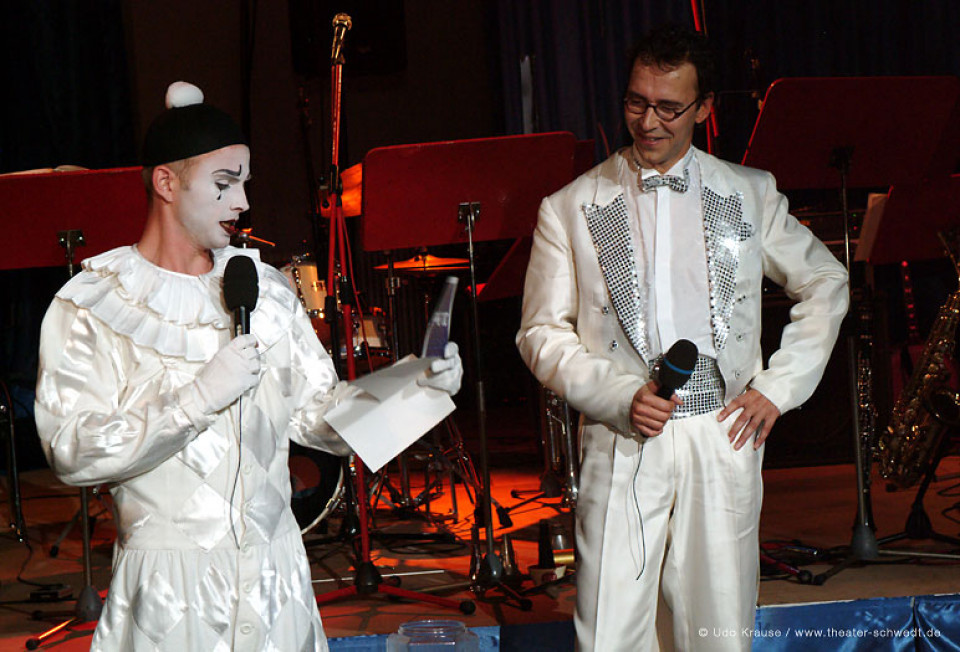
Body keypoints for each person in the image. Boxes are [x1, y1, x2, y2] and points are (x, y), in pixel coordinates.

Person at [34, 82, 463, 652]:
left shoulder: (266, 289)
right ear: (166, 183)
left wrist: (414, 389)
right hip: (171, 594)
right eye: (223, 183)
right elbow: (73, 452)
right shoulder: (96, 302)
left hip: (274, 581)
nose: (241, 202)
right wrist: (197, 398)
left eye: (244, 184)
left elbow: (319, 420)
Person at [516, 25, 849, 652]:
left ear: (704, 108)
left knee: (717, 625)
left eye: (668, 107)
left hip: (722, 432)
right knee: (609, 629)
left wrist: (778, 388)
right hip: (622, 435)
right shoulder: (570, 206)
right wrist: (618, 396)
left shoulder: (748, 192)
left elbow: (825, 280)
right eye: (636, 102)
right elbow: (540, 332)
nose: (649, 122)